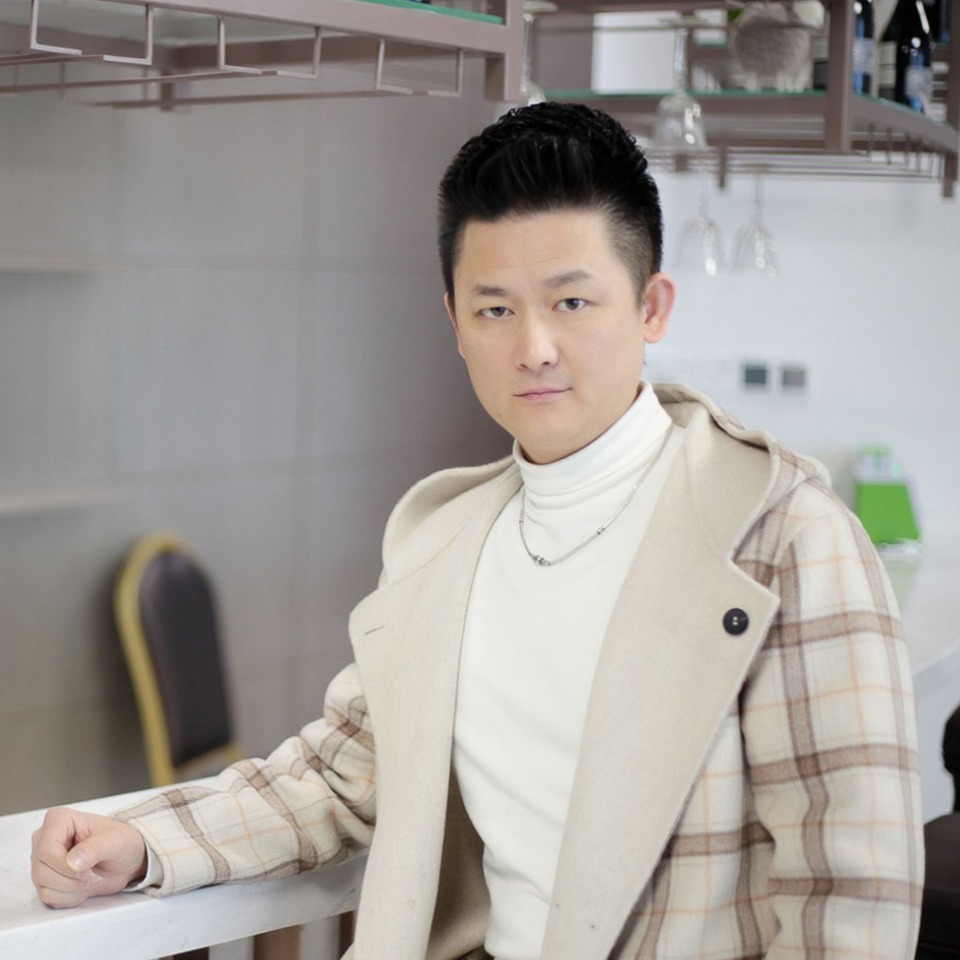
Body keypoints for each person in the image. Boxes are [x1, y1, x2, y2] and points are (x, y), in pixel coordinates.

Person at [31, 102, 923, 959]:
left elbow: (851, 892)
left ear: (652, 307)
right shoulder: (447, 540)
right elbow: (341, 775)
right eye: (495, 309)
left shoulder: (786, 537)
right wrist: (142, 841)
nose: (533, 347)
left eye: (572, 303)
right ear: (455, 322)